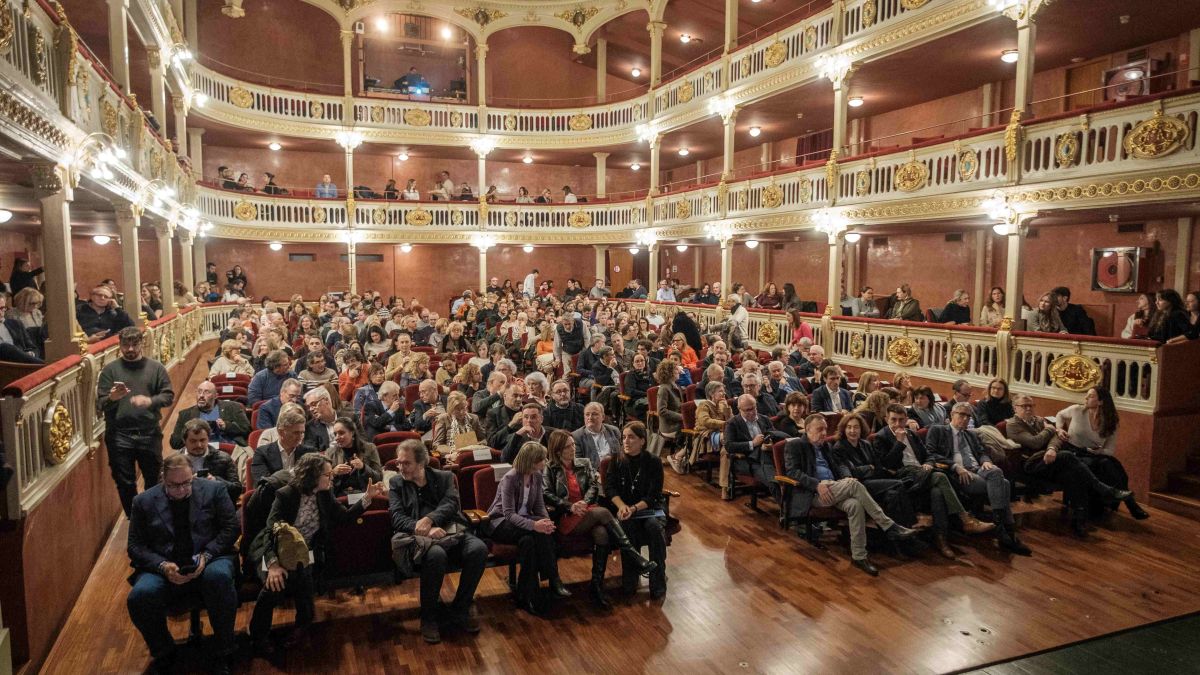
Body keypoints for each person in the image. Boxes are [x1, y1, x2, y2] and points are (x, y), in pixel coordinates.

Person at [247, 454, 383, 654]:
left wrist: (367, 498)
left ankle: (302, 626)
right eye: (327, 475)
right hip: (276, 549)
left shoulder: (324, 493)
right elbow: (270, 531)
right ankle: (258, 636)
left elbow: (344, 517)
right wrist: (274, 564)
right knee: (274, 585)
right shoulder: (286, 494)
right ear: (312, 476)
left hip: (306, 549)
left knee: (304, 578)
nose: (331, 478)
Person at [126, 453, 238, 675]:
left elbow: (231, 528)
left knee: (219, 578)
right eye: (174, 485)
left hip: (209, 557)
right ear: (163, 479)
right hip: (164, 565)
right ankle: (164, 651)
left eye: (187, 483)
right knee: (140, 597)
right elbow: (135, 546)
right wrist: (163, 566)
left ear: (193, 476)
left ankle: (224, 649)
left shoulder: (215, 490)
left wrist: (207, 555)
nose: (181, 490)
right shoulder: (143, 501)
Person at [782, 414, 917, 576]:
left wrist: (846, 478)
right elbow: (793, 472)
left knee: (855, 505)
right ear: (807, 429)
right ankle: (889, 526)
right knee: (854, 485)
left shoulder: (826, 446)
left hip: (834, 487)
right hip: (814, 494)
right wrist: (817, 484)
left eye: (825, 429)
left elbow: (838, 467)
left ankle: (859, 556)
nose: (824, 433)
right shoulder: (795, 445)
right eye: (820, 429)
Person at [544, 430, 656, 610]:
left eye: (573, 445)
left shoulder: (583, 463)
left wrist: (585, 502)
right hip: (567, 515)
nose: (573, 449)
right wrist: (570, 506)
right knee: (603, 512)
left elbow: (593, 486)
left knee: (602, 533)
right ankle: (634, 556)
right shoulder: (549, 468)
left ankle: (596, 586)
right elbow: (547, 493)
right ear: (557, 451)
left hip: (587, 510)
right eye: (568, 447)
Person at [389, 440, 487, 643]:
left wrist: (430, 519)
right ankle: (428, 616)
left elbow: (451, 504)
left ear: (421, 463)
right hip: (416, 537)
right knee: (436, 555)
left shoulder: (444, 477)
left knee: (478, 549)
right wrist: (423, 527)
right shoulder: (397, 483)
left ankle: (461, 608)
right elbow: (397, 518)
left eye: (406, 463)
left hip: (451, 530)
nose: (400, 467)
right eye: (398, 462)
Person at [873, 404, 994, 558]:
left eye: (901, 420)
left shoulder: (911, 434)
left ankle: (941, 540)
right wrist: (899, 443)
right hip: (903, 478)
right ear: (886, 419)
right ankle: (964, 518)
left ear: (906, 419)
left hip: (923, 473)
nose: (898, 424)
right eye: (893, 420)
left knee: (937, 492)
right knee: (941, 477)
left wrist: (929, 463)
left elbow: (929, 455)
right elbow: (886, 465)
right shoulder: (881, 437)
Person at [1005, 394, 1134, 537]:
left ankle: (1080, 518)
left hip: (1051, 460)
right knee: (1067, 455)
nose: (1029, 409)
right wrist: (1051, 429)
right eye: (1024, 406)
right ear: (1015, 408)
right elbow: (1035, 442)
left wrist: (1051, 448)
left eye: (1031, 405)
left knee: (1074, 473)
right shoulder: (1012, 424)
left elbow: (1058, 437)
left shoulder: (1039, 420)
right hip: (1031, 463)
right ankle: (1103, 489)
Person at [926, 403, 1032, 556]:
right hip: (959, 473)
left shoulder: (972, 434)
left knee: (995, 471)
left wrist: (986, 461)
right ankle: (1007, 533)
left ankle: (1001, 527)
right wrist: (955, 466)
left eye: (968, 416)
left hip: (978, 469)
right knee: (1004, 484)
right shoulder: (938, 430)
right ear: (952, 414)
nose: (965, 418)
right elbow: (931, 453)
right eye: (961, 414)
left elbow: (982, 452)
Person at [97, 328, 174, 516]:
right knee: (124, 481)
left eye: (134, 344)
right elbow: (100, 404)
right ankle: (135, 518)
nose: (130, 349)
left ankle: (153, 516)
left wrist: (150, 401)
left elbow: (168, 396)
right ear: (120, 345)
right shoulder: (110, 370)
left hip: (149, 432)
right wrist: (112, 398)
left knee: (154, 479)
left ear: (142, 343)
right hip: (119, 436)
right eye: (126, 345)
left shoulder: (156, 368)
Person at [485, 441, 569, 615]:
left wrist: (546, 522)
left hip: (524, 521)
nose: (546, 462)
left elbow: (539, 505)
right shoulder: (510, 478)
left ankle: (528, 595)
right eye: (542, 459)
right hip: (501, 523)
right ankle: (554, 579)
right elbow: (509, 514)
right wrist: (535, 525)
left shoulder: (537, 476)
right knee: (539, 534)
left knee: (529, 542)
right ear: (532, 461)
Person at [1054, 387, 1148, 519]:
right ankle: (1131, 505)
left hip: (1094, 454)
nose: (1086, 398)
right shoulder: (1077, 410)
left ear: (1101, 402)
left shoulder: (1111, 422)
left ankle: (1127, 503)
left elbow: (1109, 450)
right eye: (1087, 395)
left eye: (1091, 396)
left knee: (1111, 465)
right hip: (1073, 451)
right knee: (1103, 465)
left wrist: (1099, 451)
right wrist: (1059, 429)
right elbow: (1060, 415)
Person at [604, 422, 669, 598]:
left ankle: (658, 580)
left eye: (631, 437)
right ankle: (630, 580)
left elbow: (653, 495)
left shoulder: (653, 461)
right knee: (628, 528)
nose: (626, 441)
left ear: (642, 441)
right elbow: (610, 488)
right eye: (624, 437)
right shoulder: (616, 460)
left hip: (648, 508)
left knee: (654, 528)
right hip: (625, 509)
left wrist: (634, 508)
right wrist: (622, 506)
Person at [829, 414, 916, 527]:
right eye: (849, 427)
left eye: (856, 427)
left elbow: (878, 466)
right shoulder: (839, 447)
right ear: (843, 429)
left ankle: (898, 531)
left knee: (892, 494)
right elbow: (850, 472)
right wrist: (869, 468)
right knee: (900, 484)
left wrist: (872, 469)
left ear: (861, 429)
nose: (852, 431)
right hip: (859, 485)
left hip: (874, 481)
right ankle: (912, 524)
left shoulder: (865, 444)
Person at [724, 393, 787, 499]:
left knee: (787, 477)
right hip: (748, 460)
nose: (752, 412)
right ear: (739, 409)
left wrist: (770, 444)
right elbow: (729, 446)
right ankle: (786, 507)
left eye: (754, 408)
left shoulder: (764, 419)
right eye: (748, 410)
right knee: (774, 482)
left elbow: (774, 436)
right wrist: (753, 443)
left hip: (768, 456)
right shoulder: (732, 423)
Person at [176, 417, 243, 502]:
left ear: (208, 439)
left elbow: (237, 491)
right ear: (184, 441)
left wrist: (216, 481)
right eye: (193, 441)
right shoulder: (173, 462)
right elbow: (164, 492)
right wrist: (187, 484)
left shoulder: (224, 458)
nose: (199, 445)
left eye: (202, 440)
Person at [170, 381, 251, 449]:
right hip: (197, 452)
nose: (201, 395)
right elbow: (175, 444)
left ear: (216, 396)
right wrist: (189, 433)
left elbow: (246, 429)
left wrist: (226, 426)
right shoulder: (185, 414)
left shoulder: (233, 407)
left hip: (228, 449)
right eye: (199, 392)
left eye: (206, 392)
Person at [250, 408, 314, 483]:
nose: (300, 437)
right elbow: (263, 483)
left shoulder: (309, 453)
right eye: (296, 433)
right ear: (281, 432)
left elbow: (313, 481)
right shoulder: (262, 453)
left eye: (302, 432)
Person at [325, 417, 383, 497]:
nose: (337, 437)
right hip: (339, 495)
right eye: (335, 434)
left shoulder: (370, 448)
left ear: (352, 433)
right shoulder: (330, 452)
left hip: (364, 495)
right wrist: (334, 472)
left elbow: (379, 477)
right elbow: (322, 480)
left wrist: (363, 467)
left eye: (341, 433)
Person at [572, 402, 621, 467]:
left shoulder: (614, 431)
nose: (590, 417)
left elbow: (621, 454)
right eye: (587, 414)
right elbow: (578, 462)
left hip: (615, 468)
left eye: (594, 414)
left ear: (603, 417)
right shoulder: (576, 436)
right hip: (592, 471)